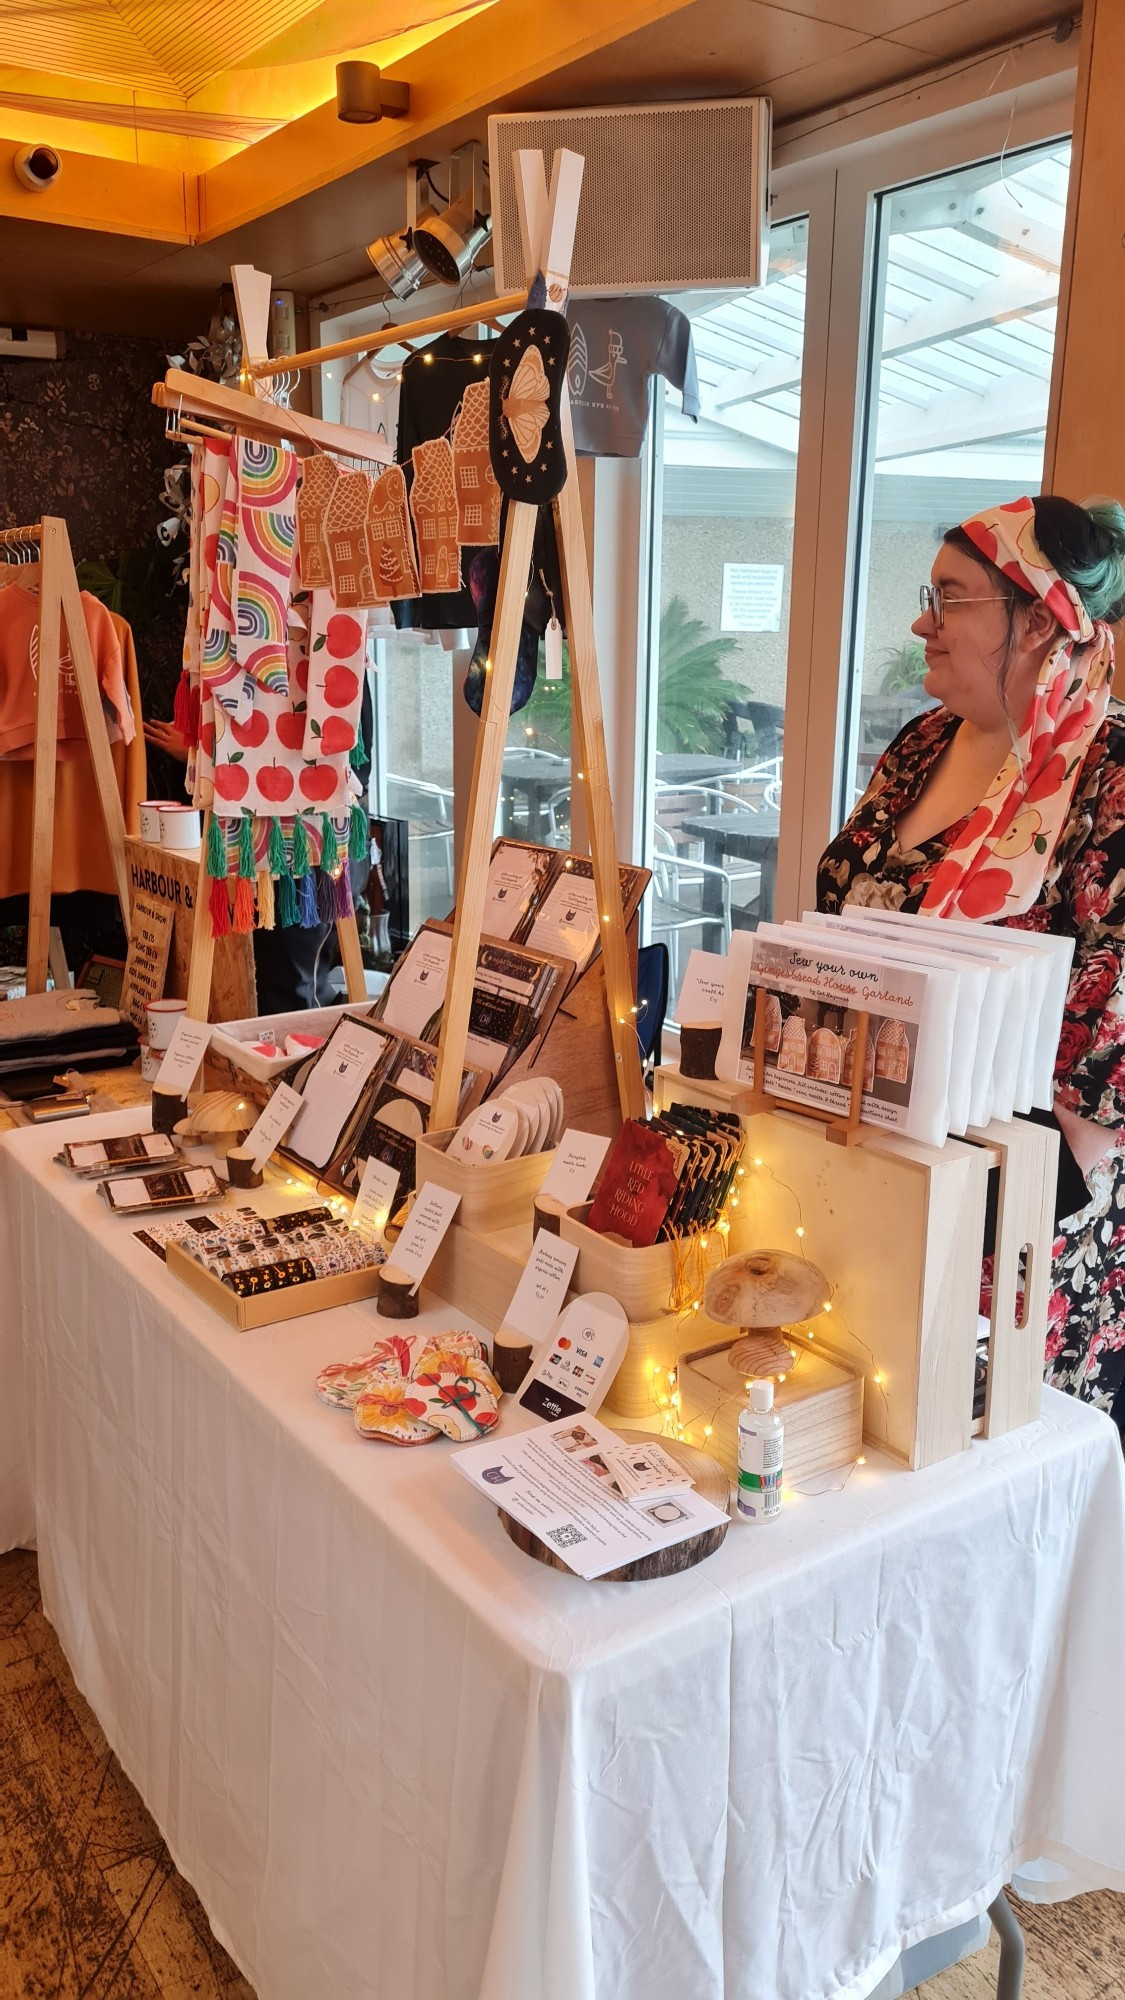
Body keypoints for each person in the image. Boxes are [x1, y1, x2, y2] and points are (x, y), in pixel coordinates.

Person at [818, 494, 1125, 1434]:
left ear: (1037, 620)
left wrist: (985, 1239)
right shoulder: (919, 749)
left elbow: (1101, 1076)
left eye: (949, 597)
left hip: (1011, 1232)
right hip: (865, 1176)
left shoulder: (1108, 783)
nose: (921, 620)